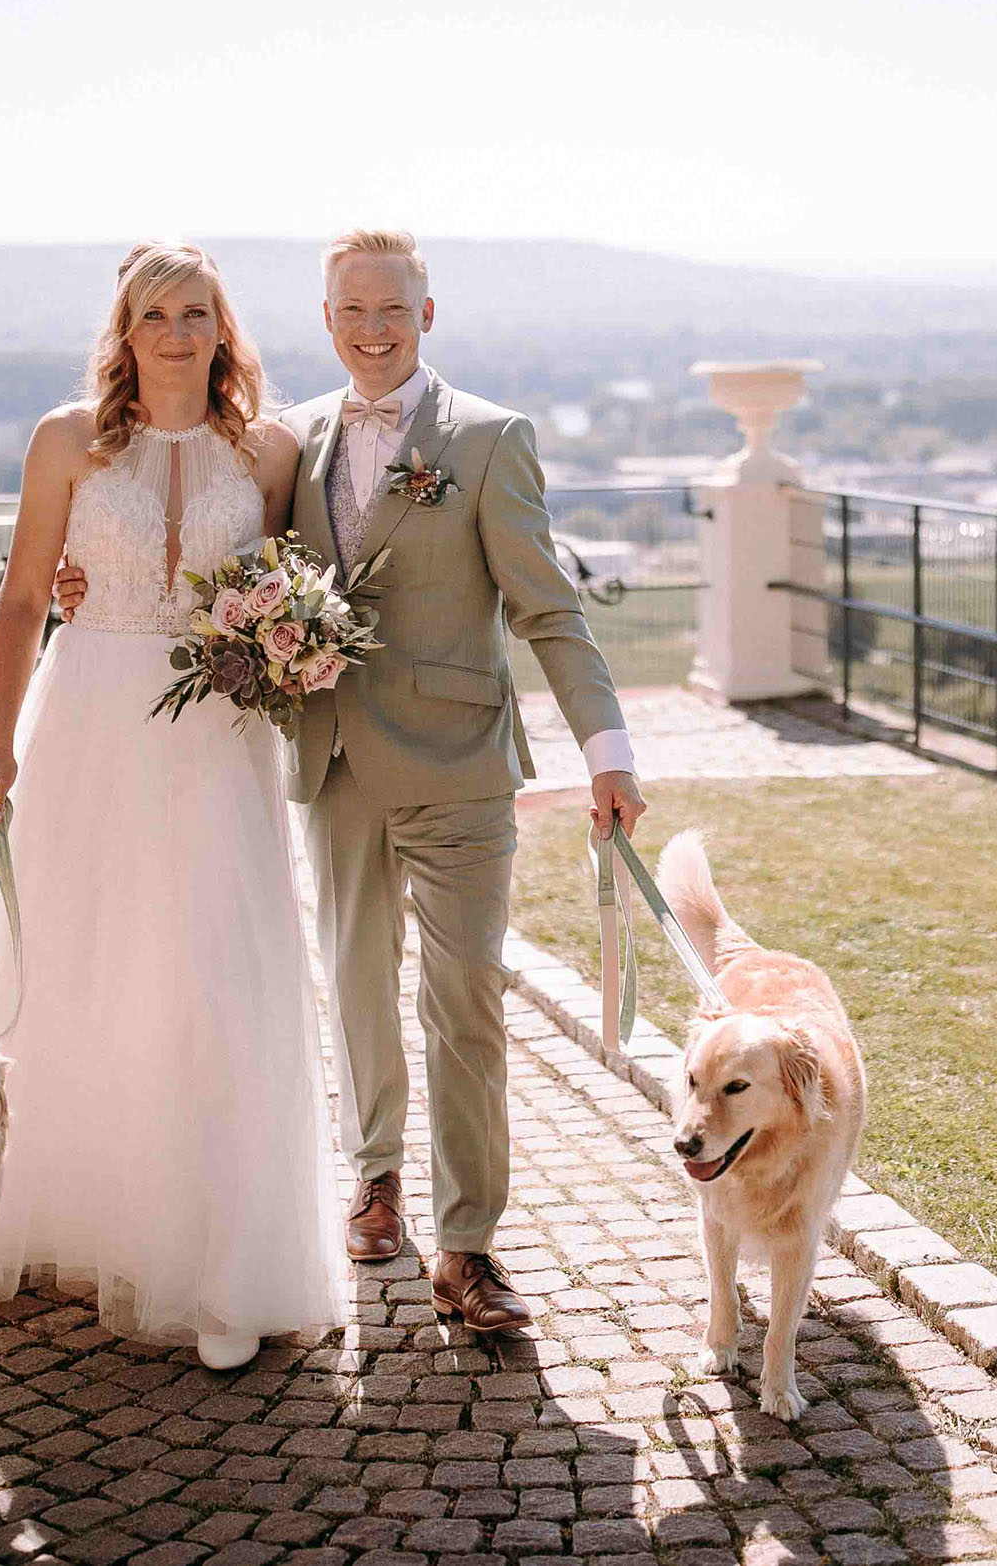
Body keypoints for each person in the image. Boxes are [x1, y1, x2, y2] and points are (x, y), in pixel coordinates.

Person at [59, 228, 645, 1335]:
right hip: (331, 762)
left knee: (464, 996)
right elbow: (223, 563)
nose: (371, 327)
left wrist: (605, 753)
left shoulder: (489, 439)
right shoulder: (290, 443)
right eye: (350, 309)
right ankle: (374, 1179)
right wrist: (80, 573)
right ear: (326, 321)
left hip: (461, 765)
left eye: (392, 307)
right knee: (357, 984)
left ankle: (468, 1245)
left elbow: (548, 608)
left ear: (427, 315)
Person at [0, 240, 346, 1371]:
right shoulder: (65, 439)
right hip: (85, 720)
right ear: (123, 331)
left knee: (217, 980)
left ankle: (225, 1262)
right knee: (83, 968)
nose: (176, 332)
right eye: (154, 313)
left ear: (225, 330)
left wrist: (290, 643)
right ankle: (73, 1219)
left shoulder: (268, 452)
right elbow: (26, 598)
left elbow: (280, 590)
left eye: (196, 312)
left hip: (214, 743)